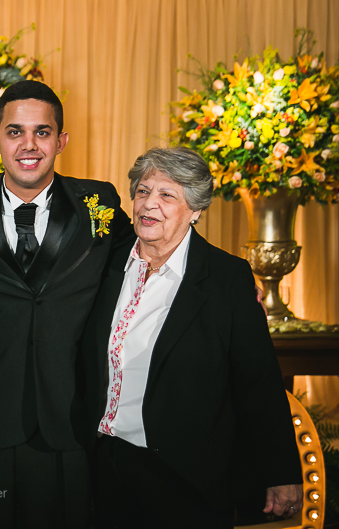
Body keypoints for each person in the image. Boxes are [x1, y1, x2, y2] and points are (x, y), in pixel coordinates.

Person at [0, 80, 133, 527]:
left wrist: (221, 282)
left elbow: (147, 256)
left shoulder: (98, 204)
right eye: (15, 131)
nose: (29, 144)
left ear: (61, 141)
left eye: (42, 132)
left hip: (68, 419)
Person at [80, 147, 303, 528]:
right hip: (103, 468)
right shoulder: (107, 261)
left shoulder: (227, 279)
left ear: (196, 209)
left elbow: (259, 382)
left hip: (186, 478)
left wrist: (281, 472)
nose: (150, 204)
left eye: (168, 195)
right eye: (142, 191)